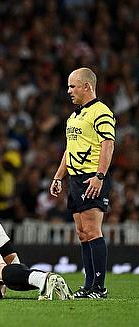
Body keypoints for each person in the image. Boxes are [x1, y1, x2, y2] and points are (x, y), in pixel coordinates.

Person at [50, 67, 116, 299]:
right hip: (76, 179)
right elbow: (69, 151)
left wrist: (99, 176)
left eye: (72, 86)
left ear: (87, 86)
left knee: (92, 230)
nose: (68, 91)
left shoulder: (101, 112)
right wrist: (59, 176)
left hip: (91, 177)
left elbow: (108, 144)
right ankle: (89, 286)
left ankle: (99, 287)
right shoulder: (74, 116)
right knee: (82, 233)